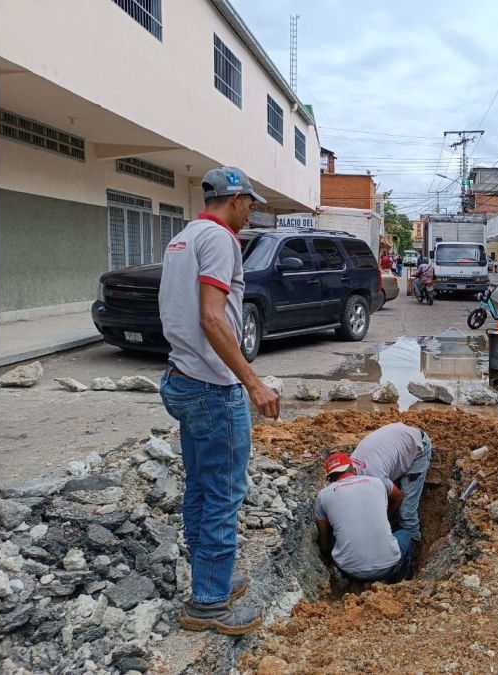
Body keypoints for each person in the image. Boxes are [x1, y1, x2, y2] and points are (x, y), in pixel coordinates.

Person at [158, 166, 281, 635]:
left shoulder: (183, 238)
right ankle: (208, 603)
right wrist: (252, 382)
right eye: (249, 201)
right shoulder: (221, 240)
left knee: (200, 486)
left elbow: (181, 310)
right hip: (212, 387)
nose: (251, 210)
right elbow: (213, 318)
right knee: (224, 496)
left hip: (183, 377)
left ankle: (212, 580)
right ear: (234, 200)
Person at [315, 452, 412, 584]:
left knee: (334, 533)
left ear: (330, 478)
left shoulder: (323, 495)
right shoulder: (378, 482)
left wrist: (326, 556)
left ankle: (352, 584)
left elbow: (324, 544)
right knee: (405, 535)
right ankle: (397, 582)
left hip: (351, 572)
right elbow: (398, 496)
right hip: (389, 567)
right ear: (353, 469)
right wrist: (388, 518)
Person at [350, 423, 432, 548]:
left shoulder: (375, 478)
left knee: (406, 512)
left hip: (418, 447)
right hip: (397, 440)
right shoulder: (349, 468)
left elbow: (398, 497)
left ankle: (413, 548)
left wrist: (387, 519)